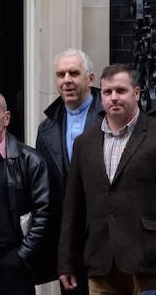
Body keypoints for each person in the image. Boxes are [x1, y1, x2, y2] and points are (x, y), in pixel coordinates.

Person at [58, 63, 156, 294]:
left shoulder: (153, 134)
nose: (113, 98)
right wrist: (66, 261)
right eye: (107, 92)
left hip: (147, 260)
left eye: (121, 91)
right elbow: (73, 207)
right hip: (101, 262)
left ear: (137, 93)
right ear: (100, 95)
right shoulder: (84, 143)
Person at [35, 48, 104, 291]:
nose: (66, 80)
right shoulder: (46, 128)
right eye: (60, 74)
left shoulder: (111, 117)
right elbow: (47, 193)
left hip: (107, 241)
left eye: (74, 73)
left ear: (91, 79)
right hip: (69, 244)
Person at [0, 90, 50, 295]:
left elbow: (44, 212)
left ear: (6, 118)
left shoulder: (30, 160)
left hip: (14, 261)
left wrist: (23, 255)